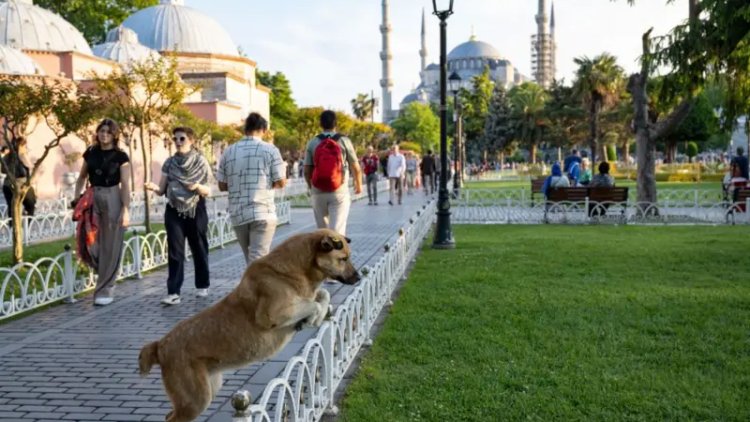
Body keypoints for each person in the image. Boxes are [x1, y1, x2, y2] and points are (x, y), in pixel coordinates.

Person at [145, 127, 212, 306]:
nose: (177, 142)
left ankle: (202, 284)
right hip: (174, 209)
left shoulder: (200, 162)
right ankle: (173, 292)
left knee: (198, 247)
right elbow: (161, 190)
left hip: (195, 208)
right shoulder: (169, 163)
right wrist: (153, 187)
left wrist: (197, 187)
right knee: (175, 251)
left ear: (191, 141)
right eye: (175, 139)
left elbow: (209, 190)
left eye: (181, 139)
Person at [73, 118, 130, 306]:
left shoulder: (121, 157)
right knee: (91, 242)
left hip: (113, 197)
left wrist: (125, 209)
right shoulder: (91, 153)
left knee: (111, 245)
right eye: (101, 130)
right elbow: (82, 177)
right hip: (93, 197)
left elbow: (125, 185)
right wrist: (77, 197)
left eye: (108, 131)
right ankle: (102, 275)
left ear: (114, 135)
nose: (104, 134)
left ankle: (105, 288)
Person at [217, 113, 286, 265]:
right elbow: (281, 182)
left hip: (238, 213)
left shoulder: (229, 151)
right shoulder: (270, 150)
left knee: (252, 259)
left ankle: (253, 287)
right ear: (263, 129)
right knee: (257, 261)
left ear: (245, 129)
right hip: (263, 211)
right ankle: (256, 289)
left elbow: (221, 185)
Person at [304, 110, 362, 235]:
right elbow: (356, 167)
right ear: (336, 123)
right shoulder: (344, 141)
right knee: (337, 232)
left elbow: (306, 170)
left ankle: (324, 253)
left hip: (318, 192)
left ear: (321, 124)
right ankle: (338, 253)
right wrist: (359, 184)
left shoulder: (313, 142)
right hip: (339, 191)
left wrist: (311, 187)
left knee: (323, 232)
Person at [2, 137, 36, 218]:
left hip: (9, 184)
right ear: (21, 146)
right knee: (29, 204)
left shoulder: (7, 156)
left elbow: (3, 170)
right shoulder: (21, 155)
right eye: (25, 146)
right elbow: (29, 167)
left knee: (13, 207)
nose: (26, 148)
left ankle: (15, 226)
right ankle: (24, 226)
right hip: (20, 185)